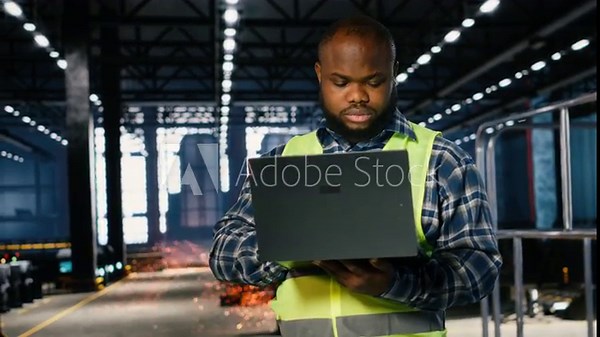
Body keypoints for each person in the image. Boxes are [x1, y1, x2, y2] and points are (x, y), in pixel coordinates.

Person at [210, 15, 502, 337]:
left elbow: (480, 267)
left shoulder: (441, 161)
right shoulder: (285, 163)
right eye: (341, 82)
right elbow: (224, 253)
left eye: (374, 82)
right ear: (320, 75)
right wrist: (288, 247)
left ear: (394, 75)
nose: (358, 95)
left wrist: (395, 283)